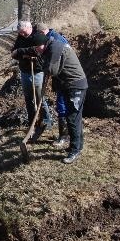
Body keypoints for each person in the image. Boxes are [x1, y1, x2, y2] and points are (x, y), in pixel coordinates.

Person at [41, 29, 88, 164]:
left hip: (75, 86)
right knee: (75, 117)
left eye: (38, 49)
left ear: (42, 43)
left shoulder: (56, 47)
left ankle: (74, 151)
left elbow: (52, 70)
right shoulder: (53, 45)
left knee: (73, 118)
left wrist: (46, 67)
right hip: (72, 85)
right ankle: (78, 147)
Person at [11, 20, 52, 136]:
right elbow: (13, 53)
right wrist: (24, 53)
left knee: (39, 98)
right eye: (20, 33)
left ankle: (47, 121)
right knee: (28, 99)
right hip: (24, 71)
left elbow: (40, 49)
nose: (22, 35)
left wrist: (21, 52)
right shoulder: (20, 38)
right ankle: (32, 123)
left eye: (24, 32)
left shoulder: (38, 36)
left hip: (37, 72)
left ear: (29, 28)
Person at [36, 23, 70, 148]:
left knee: (62, 107)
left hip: (64, 78)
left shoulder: (55, 40)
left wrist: (48, 70)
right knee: (64, 106)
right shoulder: (52, 36)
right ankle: (66, 135)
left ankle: (64, 137)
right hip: (62, 77)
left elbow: (55, 62)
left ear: (42, 32)